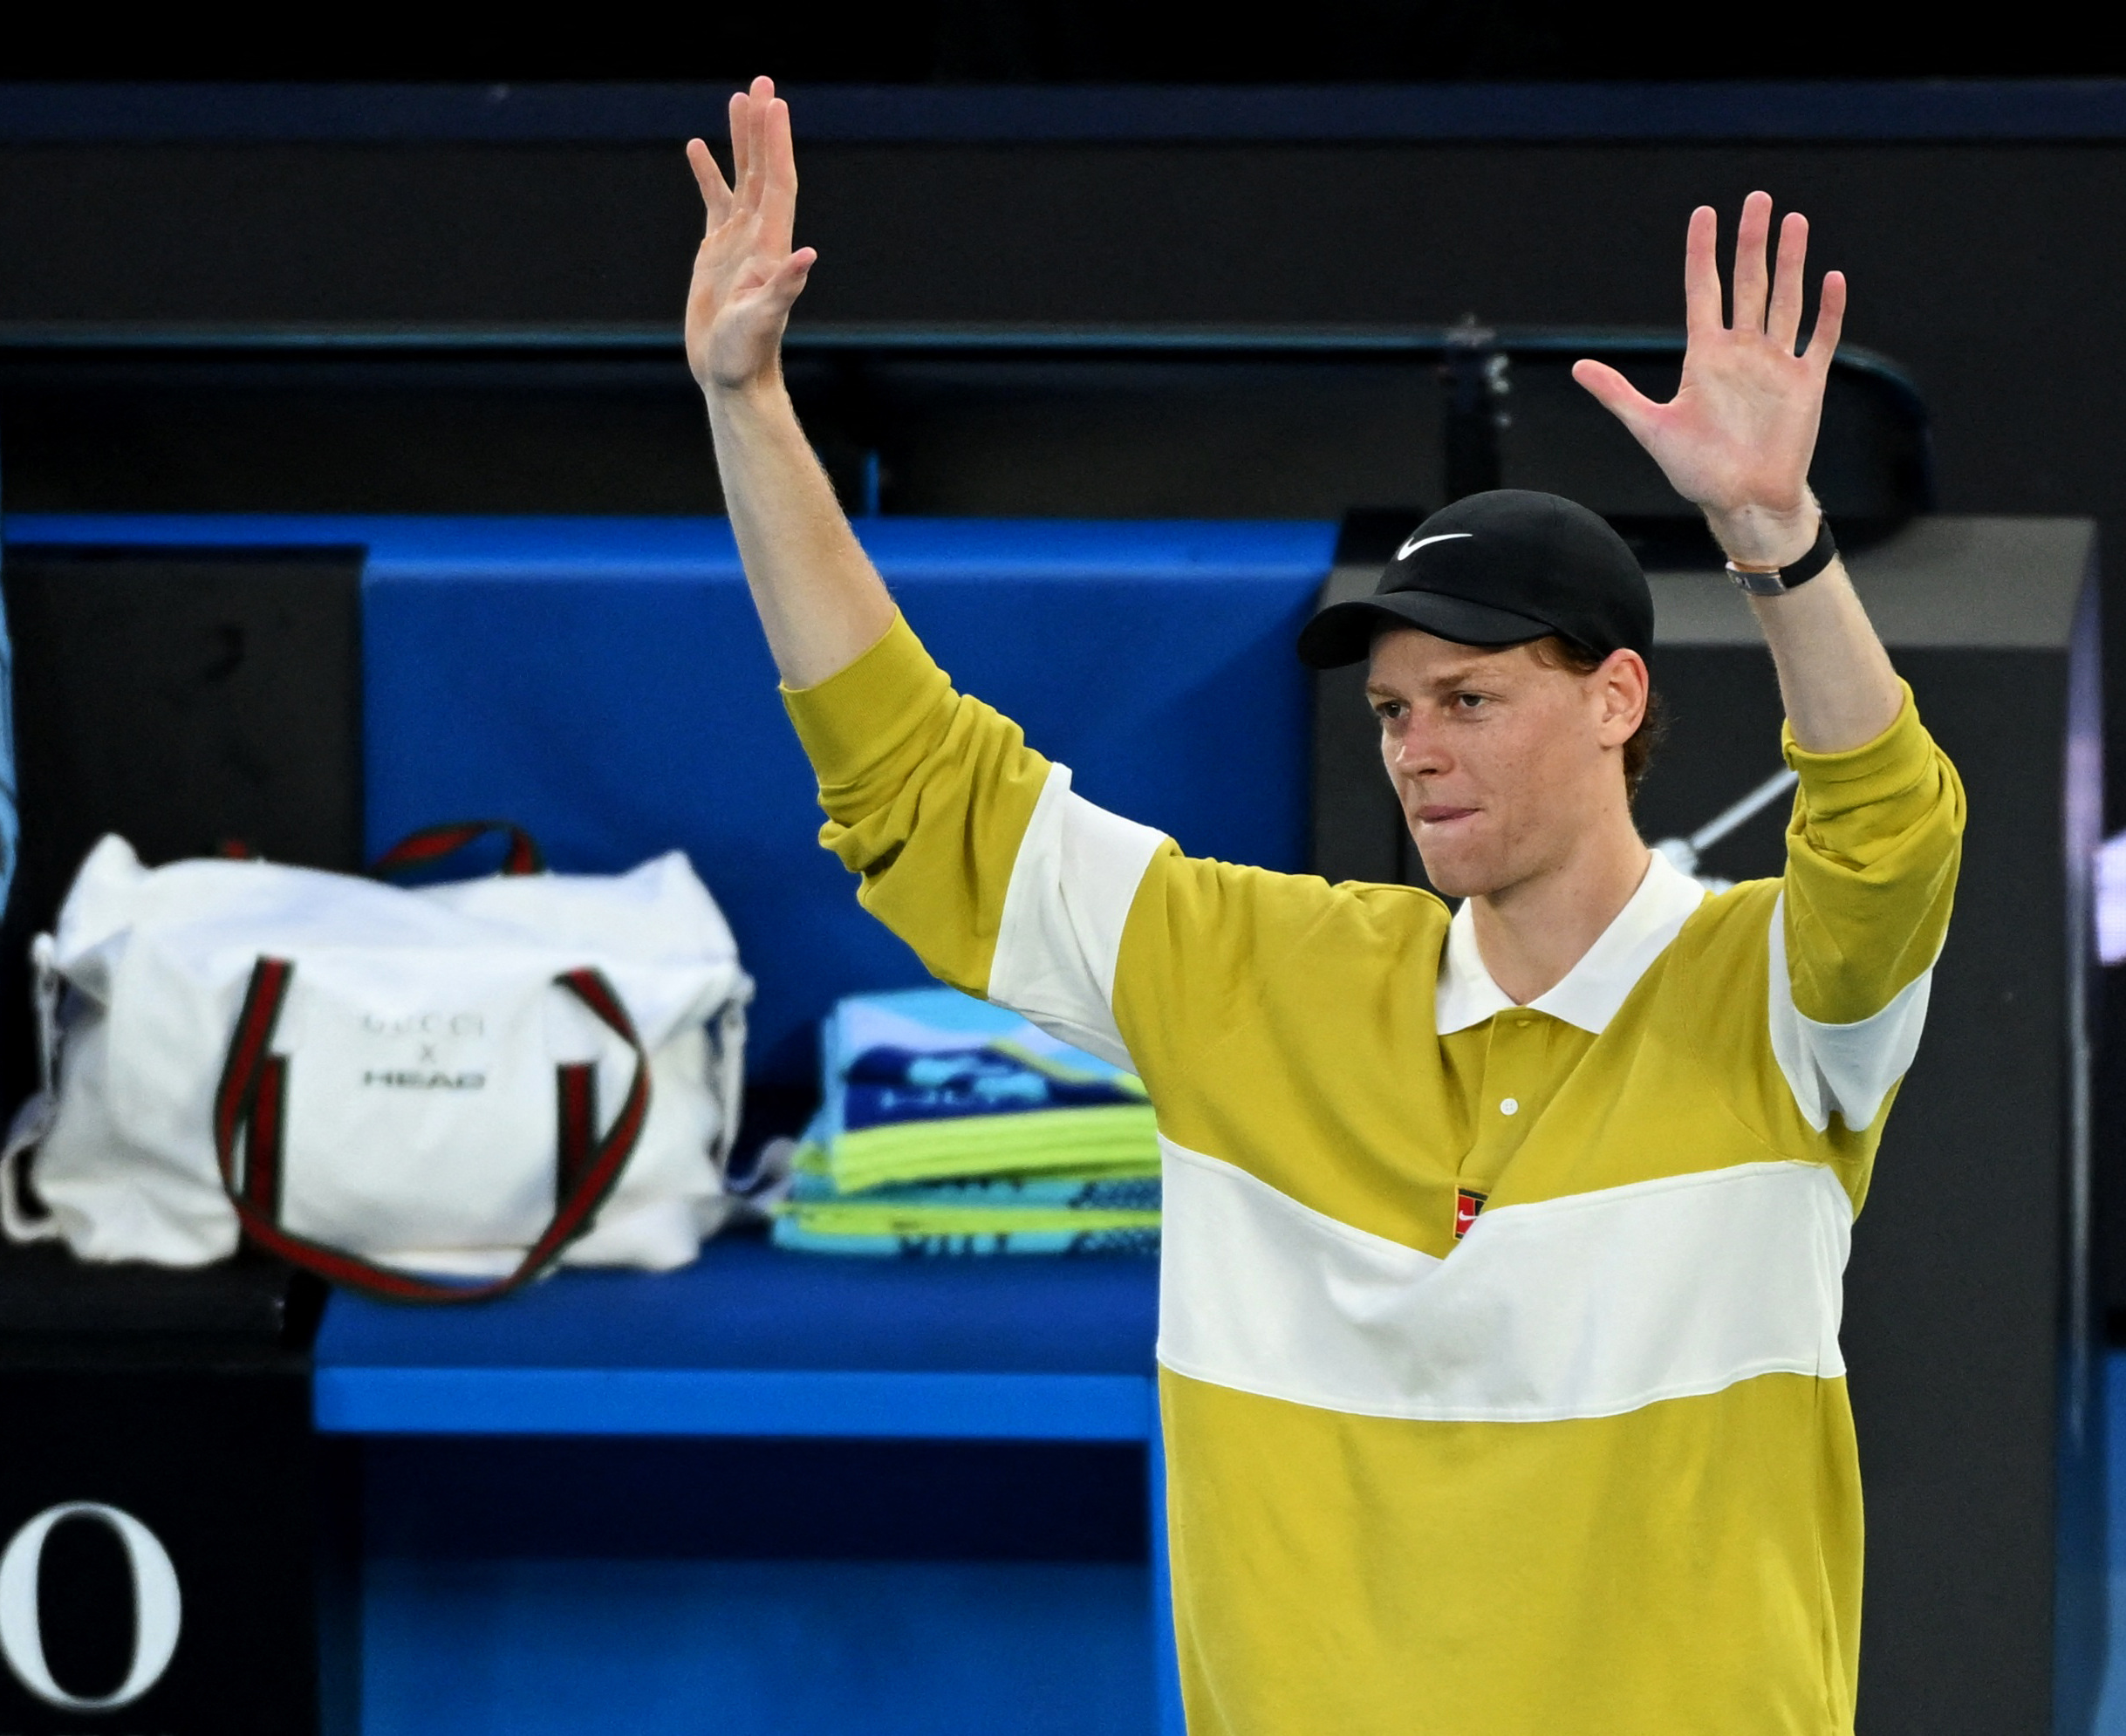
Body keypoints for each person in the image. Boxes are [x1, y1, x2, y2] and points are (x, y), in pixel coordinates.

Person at [687, 77, 1964, 1736]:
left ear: (1616, 699)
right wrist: (745, 404)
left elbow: (1884, 831)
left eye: (1469, 698)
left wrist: (1774, 538)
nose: (1416, 751)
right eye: (1390, 713)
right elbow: (915, 786)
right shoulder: (1257, 975)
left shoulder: (1779, 995)